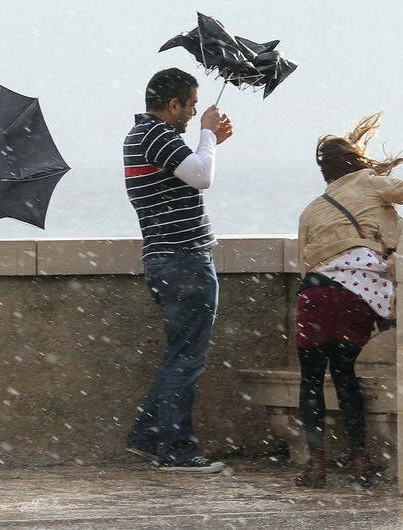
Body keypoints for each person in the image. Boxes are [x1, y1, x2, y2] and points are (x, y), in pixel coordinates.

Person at [294, 111, 403, 488]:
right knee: (344, 376)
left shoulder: (312, 208)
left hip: (314, 295)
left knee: (310, 381)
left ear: (326, 174)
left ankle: (317, 464)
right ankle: (359, 462)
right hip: (354, 295)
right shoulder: (370, 184)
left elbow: (304, 261)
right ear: (357, 162)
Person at [123, 68, 234, 473]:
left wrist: (211, 141)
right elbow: (202, 176)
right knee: (187, 358)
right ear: (173, 105)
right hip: (184, 259)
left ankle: (149, 436)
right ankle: (176, 450)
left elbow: (193, 171)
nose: (193, 112)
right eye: (190, 106)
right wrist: (207, 134)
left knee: (179, 355)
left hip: (169, 259)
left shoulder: (146, 137)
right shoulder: (156, 135)